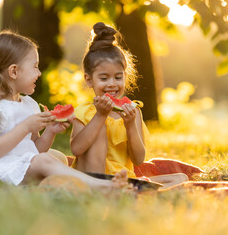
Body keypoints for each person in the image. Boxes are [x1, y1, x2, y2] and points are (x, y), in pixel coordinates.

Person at [0, 30, 130, 193]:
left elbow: (34, 150)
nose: (39, 73)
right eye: (35, 67)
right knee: (45, 161)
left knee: (56, 157)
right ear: (14, 71)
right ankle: (102, 186)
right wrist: (26, 127)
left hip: (17, 164)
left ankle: (60, 184)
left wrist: (50, 132)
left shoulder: (28, 104)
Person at [70, 22, 188, 189]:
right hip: (91, 178)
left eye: (118, 77)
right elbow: (76, 149)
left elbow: (139, 160)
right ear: (89, 80)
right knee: (100, 129)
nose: (112, 84)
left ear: (125, 76)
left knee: (181, 178)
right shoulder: (83, 112)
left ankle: (131, 189)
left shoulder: (132, 112)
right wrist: (100, 116)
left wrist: (131, 125)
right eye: (104, 78)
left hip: (122, 179)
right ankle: (104, 191)